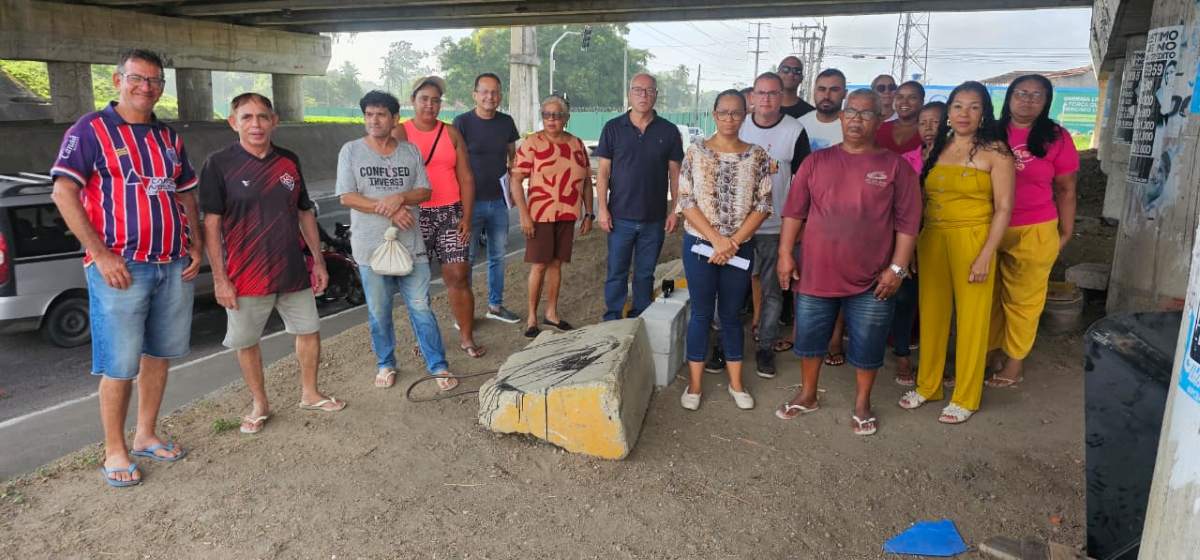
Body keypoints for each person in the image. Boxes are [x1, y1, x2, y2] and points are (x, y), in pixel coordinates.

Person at [50, 49, 202, 486]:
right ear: (118, 79)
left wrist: (194, 246)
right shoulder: (90, 130)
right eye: (137, 78)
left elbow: (186, 192)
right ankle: (114, 449)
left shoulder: (168, 137)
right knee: (119, 364)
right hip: (121, 267)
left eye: (155, 81)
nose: (146, 87)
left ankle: (146, 434)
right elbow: (64, 193)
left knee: (159, 354)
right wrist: (99, 253)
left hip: (173, 264)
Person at [774, 89, 921, 436]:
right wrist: (784, 254)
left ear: (879, 120)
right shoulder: (816, 162)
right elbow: (794, 213)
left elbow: (908, 224)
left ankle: (862, 403)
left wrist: (897, 269)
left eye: (866, 113)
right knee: (809, 341)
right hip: (815, 272)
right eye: (851, 112)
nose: (856, 119)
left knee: (868, 344)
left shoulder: (895, 167)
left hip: (873, 279)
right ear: (841, 117)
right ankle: (808, 394)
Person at [200, 93, 344, 435]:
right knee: (247, 341)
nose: (256, 124)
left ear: (274, 121)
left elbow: (303, 212)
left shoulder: (288, 161)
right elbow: (211, 225)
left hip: (292, 269)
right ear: (233, 122)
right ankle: (259, 403)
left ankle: (310, 393)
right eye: (247, 117)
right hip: (244, 275)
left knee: (309, 331)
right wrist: (220, 279)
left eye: (263, 117)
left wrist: (319, 261)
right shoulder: (218, 164)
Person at [898, 81, 1014, 424]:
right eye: (958, 106)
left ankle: (966, 395)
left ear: (984, 113)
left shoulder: (997, 152)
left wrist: (985, 255)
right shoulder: (938, 149)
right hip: (933, 239)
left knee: (972, 321)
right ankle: (928, 385)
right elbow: (924, 201)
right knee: (932, 315)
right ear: (948, 112)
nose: (965, 114)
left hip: (974, 240)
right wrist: (916, 246)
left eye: (974, 106)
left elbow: (1004, 208)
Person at [338, 91, 459, 391]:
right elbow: (347, 197)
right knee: (379, 311)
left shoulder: (410, 152)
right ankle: (386, 363)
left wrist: (400, 198)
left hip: (411, 244)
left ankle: (438, 365)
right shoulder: (351, 151)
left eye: (381, 114)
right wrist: (391, 207)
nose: (374, 120)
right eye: (369, 114)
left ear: (394, 119)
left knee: (421, 306)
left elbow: (425, 191)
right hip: (370, 248)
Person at [677, 90, 772, 411]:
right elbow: (686, 200)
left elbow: (763, 204)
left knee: (732, 315)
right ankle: (694, 385)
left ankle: (736, 383)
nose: (730, 119)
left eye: (736, 113)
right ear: (714, 114)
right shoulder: (696, 152)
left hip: (739, 247)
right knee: (701, 314)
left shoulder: (757, 155)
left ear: (745, 115)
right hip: (699, 243)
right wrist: (716, 240)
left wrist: (731, 243)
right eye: (724, 112)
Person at [986, 75, 1080, 387]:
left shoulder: (1058, 138)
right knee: (988, 295)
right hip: (987, 226)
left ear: (1046, 102)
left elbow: (1066, 189)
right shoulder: (989, 131)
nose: (1027, 100)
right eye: (1021, 93)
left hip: (1035, 227)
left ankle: (1015, 363)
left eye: (1036, 95)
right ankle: (989, 351)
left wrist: (1065, 232)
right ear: (1009, 97)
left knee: (1024, 299)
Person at [401, 77, 486, 358]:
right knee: (417, 281)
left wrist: (467, 215)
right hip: (415, 215)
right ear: (413, 100)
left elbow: (466, 177)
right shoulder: (400, 133)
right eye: (424, 98)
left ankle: (466, 336)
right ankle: (425, 338)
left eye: (436, 100)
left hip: (450, 212)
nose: (430, 104)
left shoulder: (451, 134)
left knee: (458, 276)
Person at [738, 71, 811, 378]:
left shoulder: (795, 130)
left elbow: (806, 181)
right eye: (760, 93)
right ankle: (722, 346)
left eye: (772, 93)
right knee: (729, 290)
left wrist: (801, 224)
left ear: (782, 97)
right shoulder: (738, 125)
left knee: (772, 293)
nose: (766, 99)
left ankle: (765, 347)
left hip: (775, 226)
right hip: (738, 228)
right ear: (752, 97)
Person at [595, 73, 684, 321]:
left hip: (653, 219)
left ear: (656, 94)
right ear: (629, 94)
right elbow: (603, 173)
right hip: (619, 217)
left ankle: (640, 317)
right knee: (616, 272)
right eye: (638, 90)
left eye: (649, 90)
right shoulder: (613, 128)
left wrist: (674, 210)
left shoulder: (668, 131)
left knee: (645, 273)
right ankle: (612, 317)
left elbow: (675, 175)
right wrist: (602, 208)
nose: (643, 95)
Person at [510, 96, 595, 338]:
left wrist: (589, 212)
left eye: (557, 115)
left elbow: (587, 182)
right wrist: (524, 216)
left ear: (567, 118)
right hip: (540, 214)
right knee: (539, 265)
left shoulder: (577, 144)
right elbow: (516, 181)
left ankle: (551, 313)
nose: (552, 119)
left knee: (557, 264)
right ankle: (532, 317)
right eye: (547, 114)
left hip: (567, 214)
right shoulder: (532, 143)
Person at [453, 73, 522, 325]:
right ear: (475, 94)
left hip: (499, 203)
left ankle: (495, 305)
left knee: (497, 257)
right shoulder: (462, 122)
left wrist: (512, 191)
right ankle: (465, 313)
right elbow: (454, 162)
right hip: (470, 204)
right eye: (484, 92)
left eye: (494, 92)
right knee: (467, 259)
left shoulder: (506, 122)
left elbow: (512, 159)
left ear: (500, 95)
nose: (489, 97)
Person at [893, 100, 947, 386]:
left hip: (947, 237)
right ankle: (902, 355)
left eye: (935, 122)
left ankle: (937, 360)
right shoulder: (906, 160)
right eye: (923, 123)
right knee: (906, 299)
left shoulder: (959, 159)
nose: (928, 128)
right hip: (911, 239)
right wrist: (908, 245)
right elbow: (901, 205)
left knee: (940, 302)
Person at [799, 69, 847, 152]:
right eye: (821, 89)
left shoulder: (852, 128)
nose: (826, 96)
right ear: (814, 91)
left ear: (845, 94)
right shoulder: (800, 124)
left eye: (834, 90)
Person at [876, 81, 925, 155]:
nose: (904, 102)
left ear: (921, 102)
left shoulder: (928, 131)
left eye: (912, 97)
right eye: (900, 97)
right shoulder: (880, 128)